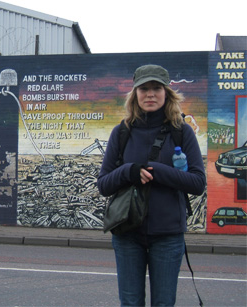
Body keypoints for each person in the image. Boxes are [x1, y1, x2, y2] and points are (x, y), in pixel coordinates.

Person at [97, 64, 206, 306]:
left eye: (156, 88)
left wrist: (158, 171)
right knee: (130, 303)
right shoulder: (121, 133)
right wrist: (129, 171)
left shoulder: (182, 132)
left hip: (168, 235)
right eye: (143, 88)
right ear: (135, 93)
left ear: (166, 93)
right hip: (127, 234)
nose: (150, 94)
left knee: (164, 303)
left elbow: (198, 183)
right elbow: (103, 184)